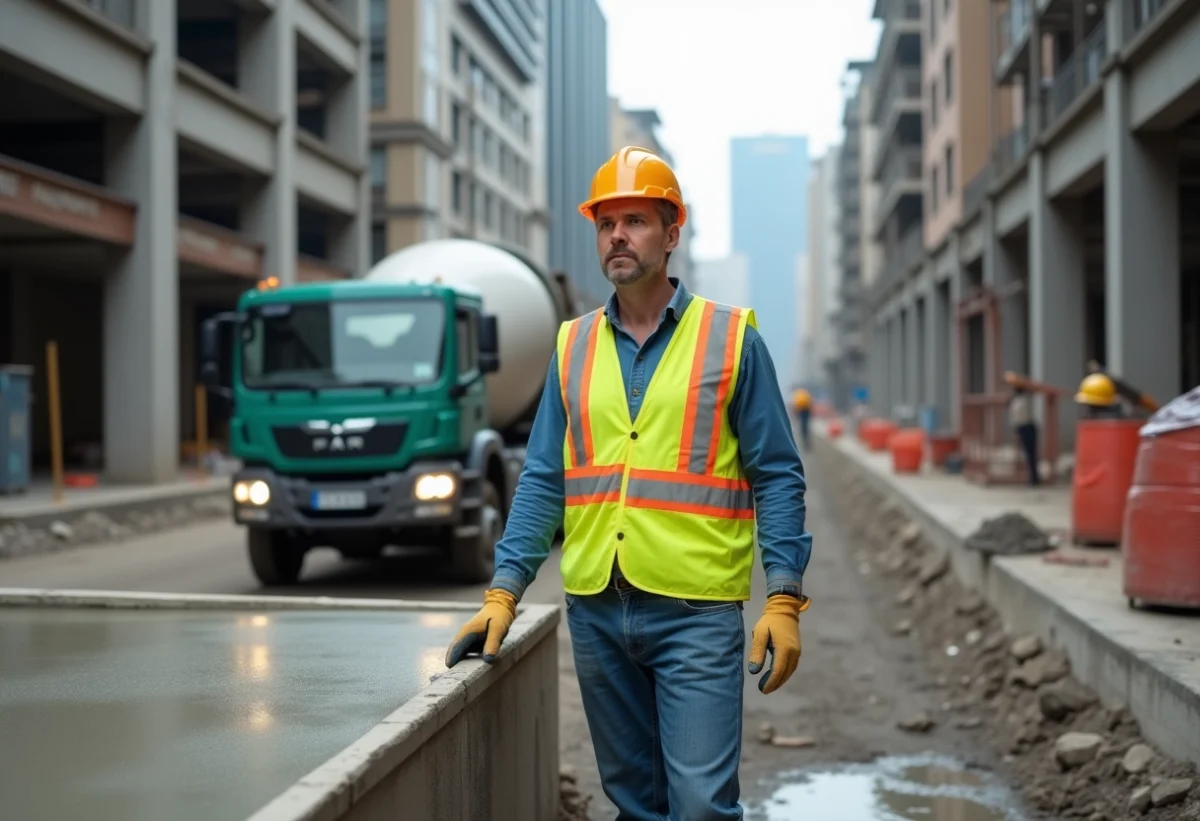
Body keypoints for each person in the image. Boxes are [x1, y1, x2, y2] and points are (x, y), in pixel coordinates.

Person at [444, 146, 814, 820]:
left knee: (701, 806)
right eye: (606, 222)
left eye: (636, 220)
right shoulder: (571, 344)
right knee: (637, 805)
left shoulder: (731, 341)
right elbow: (544, 479)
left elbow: (778, 474)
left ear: (672, 235)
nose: (617, 235)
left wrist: (784, 596)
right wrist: (503, 591)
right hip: (599, 609)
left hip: (696, 613)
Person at [1008, 384, 1040, 486]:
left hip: (1027, 427)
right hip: (1022, 427)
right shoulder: (1017, 400)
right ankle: (1033, 478)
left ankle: (1033, 478)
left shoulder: (1024, 399)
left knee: (1031, 455)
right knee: (1029, 455)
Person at [792, 387, 812, 452]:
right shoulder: (805, 396)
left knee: (803, 429)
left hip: (802, 414)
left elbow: (795, 407)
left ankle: (805, 443)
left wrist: (795, 415)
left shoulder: (798, 397)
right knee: (805, 429)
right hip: (805, 413)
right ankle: (807, 443)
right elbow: (810, 405)